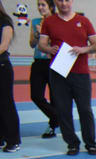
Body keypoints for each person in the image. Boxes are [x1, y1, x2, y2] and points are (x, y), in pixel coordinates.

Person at [38, 0, 96, 156]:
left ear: (71, 1)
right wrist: (49, 49)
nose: (64, 4)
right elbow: (41, 44)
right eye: (60, 0)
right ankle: (72, 143)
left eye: (67, 0)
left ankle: (91, 143)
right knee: (63, 109)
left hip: (81, 72)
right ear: (55, 2)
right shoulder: (49, 22)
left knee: (85, 109)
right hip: (58, 72)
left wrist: (83, 49)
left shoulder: (84, 21)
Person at [28, 0, 58, 140]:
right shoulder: (35, 22)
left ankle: (52, 126)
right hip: (38, 62)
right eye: (38, 5)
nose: (40, 7)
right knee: (36, 95)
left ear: (50, 7)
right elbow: (32, 44)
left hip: (53, 62)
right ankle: (57, 117)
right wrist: (37, 35)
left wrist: (44, 34)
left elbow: (57, 43)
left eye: (43, 5)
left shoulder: (57, 22)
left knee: (54, 97)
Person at [0, 1, 19, 153]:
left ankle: (14, 140)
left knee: (6, 103)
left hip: (2, 67)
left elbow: (4, 46)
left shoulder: (5, 22)